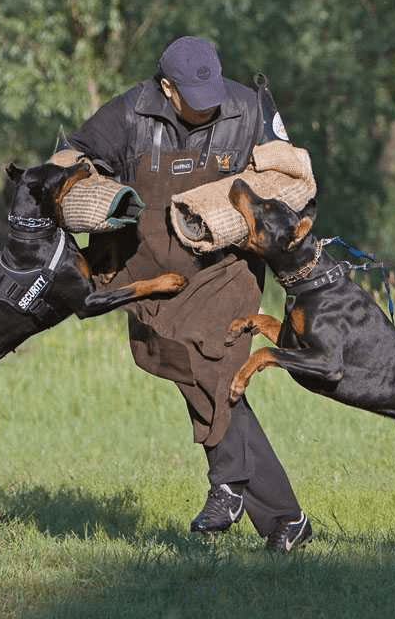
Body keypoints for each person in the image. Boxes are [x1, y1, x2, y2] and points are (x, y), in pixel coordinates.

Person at [67, 36, 311, 551]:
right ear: (166, 88)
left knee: (214, 363)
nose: (208, 105)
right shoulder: (128, 113)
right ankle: (287, 521)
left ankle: (227, 485)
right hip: (154, 273)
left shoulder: (249, 107)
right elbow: (76, 159)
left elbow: (289, 173)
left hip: (225, 268)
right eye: (193, 96)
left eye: (213, 92)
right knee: (196, 373)